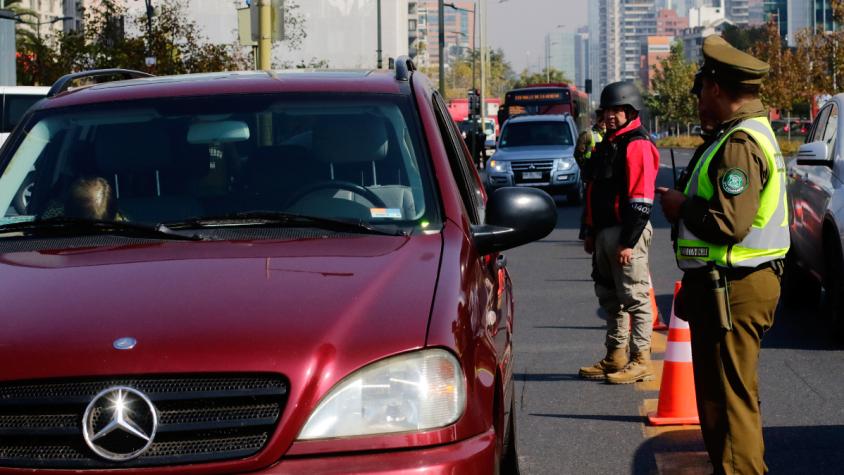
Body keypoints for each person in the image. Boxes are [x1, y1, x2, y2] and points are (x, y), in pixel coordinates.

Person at [656, 35, 788, 475]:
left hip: (735, 286)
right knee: (721, 400)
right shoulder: (740, 134)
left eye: (700, 90)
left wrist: (680, 206)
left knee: (732, 404)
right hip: (726, 284)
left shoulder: (739, 144)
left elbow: (730, 223)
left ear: (715, 87)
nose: (697, 99)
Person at [578, 81, 660, 384]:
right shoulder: (608, 142)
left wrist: (628, 241)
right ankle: (616, 355)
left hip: (625, 233)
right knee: (610, 298)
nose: (611, 115)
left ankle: (641, 359)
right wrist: (588, 231)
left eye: (618, 110)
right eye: (607, 110)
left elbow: (641, 198)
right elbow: (593, 189)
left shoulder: (636, 144)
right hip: (603, 232)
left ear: (630, 111)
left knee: (635, 298)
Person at [576, 110, 605, 240]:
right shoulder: (587, 134)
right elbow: (578, 154)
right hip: (592, 176)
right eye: (601, 119)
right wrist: (586, 168)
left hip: (607, 175)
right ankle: (585, 232)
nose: (604, 123)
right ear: (597, 119)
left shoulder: (613, 133)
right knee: (589, 205)